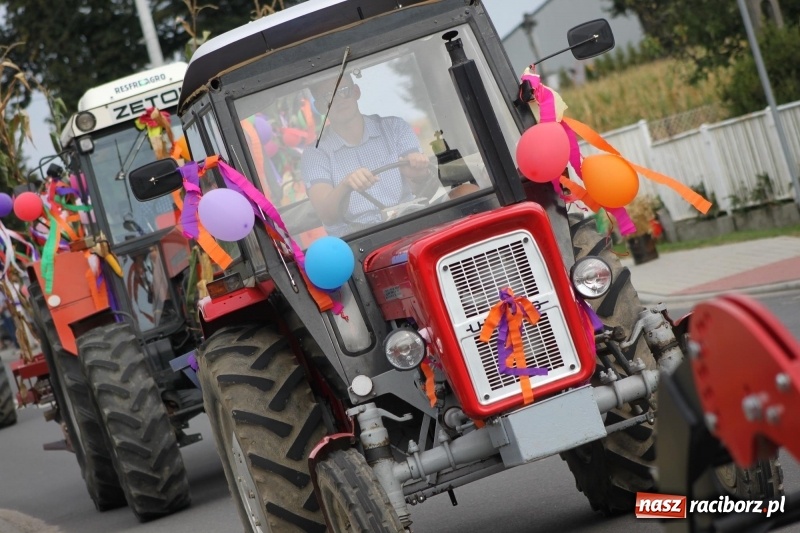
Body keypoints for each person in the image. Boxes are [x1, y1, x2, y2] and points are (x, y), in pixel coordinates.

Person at [300, 73, 433, 236]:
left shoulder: (394, 127)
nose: (339, 100)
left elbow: (420, 183)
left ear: (356, 92)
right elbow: (327, 215)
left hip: (407, 221)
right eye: (329, 97)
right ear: (320, 106)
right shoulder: (314, 153)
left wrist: (419, 173)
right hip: (359, 238)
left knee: (465, 191)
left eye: (344, 90)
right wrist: (346, 185)